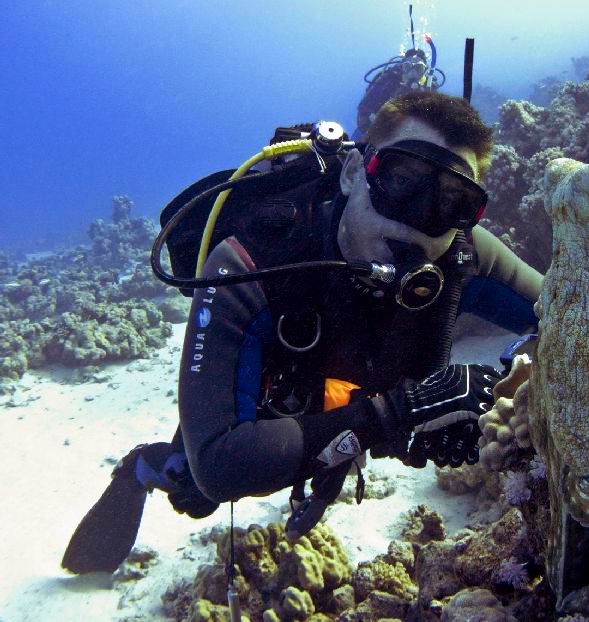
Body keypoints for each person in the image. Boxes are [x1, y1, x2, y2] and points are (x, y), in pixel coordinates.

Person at [62, 91, 543, 574]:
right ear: (355, 172)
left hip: (354, 403)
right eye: (401, 181)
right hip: (277, 405)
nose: (416, 218)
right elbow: (219, 464)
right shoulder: (249, 261)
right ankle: (142, 469)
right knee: (192, 489)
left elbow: (577, 313)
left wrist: (510, 379)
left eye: (451, 201)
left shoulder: (462, 256)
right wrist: (399, 413)